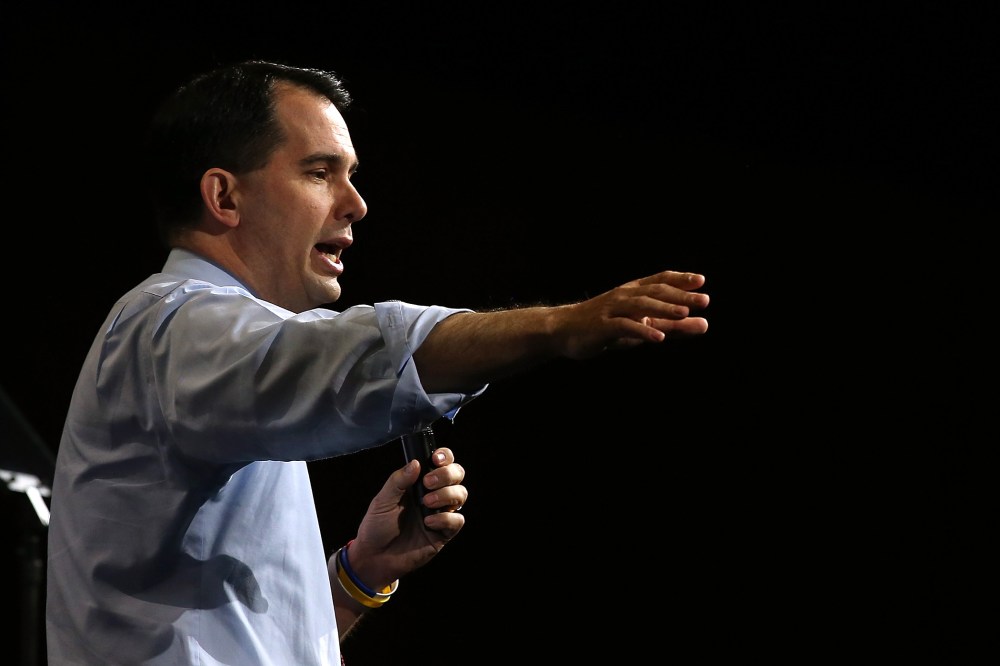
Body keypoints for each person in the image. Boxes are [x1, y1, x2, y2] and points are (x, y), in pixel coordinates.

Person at [45, 59, 710, 665]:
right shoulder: (172, 325)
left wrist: (359, 575)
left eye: (351, 176)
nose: (356, 204)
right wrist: (557, 327)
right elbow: (342, 356)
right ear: (225, 197)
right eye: (318, 172)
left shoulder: (204, 350)